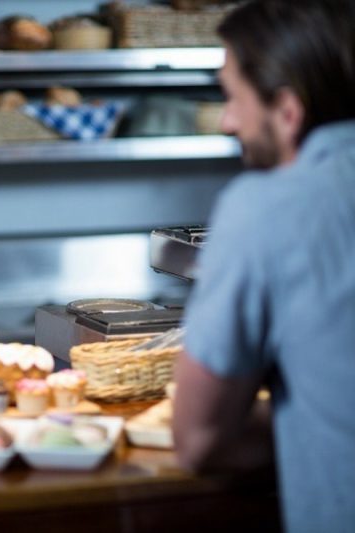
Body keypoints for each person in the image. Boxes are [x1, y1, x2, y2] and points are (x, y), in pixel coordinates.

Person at [172, 1, 355, 531]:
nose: (228, 121)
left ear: (288, 110)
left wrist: (308, 426)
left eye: (232, 97)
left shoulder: (268, 207)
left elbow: (198, 441)